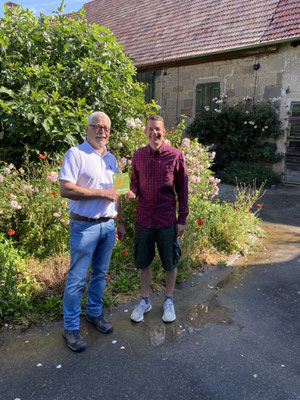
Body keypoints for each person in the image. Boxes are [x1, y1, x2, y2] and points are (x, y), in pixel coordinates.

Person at [59, 111, 126, 352]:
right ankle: (70, 327)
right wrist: (101, 193)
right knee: (77, 279)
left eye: (106, 128)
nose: (102, 131)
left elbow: (119, 192)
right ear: (87, 129)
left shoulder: (111, 158)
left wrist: (121, 222)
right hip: (84, 226)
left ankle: (94, 314)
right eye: (97, 127)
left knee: (100, 274)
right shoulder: (76, 153)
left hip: (108, 226)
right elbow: (65, 189)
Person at [125, 114, 188, 323]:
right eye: (150, 129)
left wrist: (182, 219)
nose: (154, 133)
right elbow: (134, 182)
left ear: (164, 131)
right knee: (143, 261)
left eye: (158, 129)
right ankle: (145, 300)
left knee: (170, 262)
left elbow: (183, 190)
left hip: (167, 220)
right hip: (143, 219)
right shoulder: (138, 156)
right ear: (145, 132)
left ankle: (168, 300)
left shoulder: (175, 155)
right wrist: (132, 191)